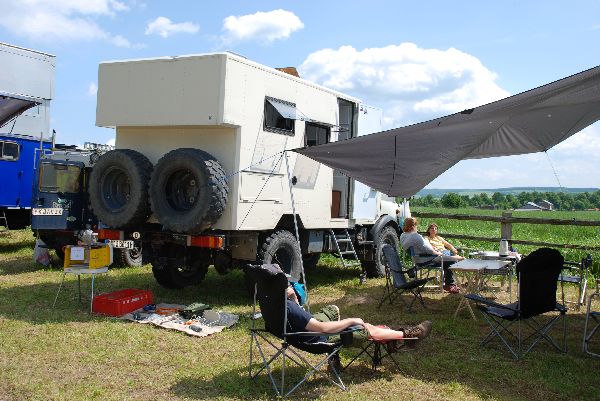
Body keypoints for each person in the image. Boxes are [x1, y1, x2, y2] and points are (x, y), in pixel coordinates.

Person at [285, 286, 432, 369]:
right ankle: (408, 335)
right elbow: (322, 328)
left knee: (333, 309)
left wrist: (293, 299)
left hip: (299, 332)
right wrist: (350, 320)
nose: (289, 284)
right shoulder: (288, 308)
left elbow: (298, 316)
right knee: (361, 327)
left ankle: (334, 358)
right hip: (315, 338)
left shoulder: (274, 305)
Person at [399, 217, 462, 294]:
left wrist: (434, 250)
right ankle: (450, 285)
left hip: (419, 258)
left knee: (449, 259)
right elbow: (429, 250)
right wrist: (437, 253)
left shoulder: (403, 235)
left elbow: (424, 248)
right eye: (416, 225)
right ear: (414, 226)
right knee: (451, 261)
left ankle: (450, 283)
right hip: (426, 259)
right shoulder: (415, 236)